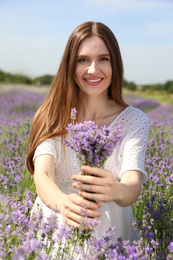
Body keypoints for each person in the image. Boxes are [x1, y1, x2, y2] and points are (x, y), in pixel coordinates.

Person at [27, 21, 149, 248]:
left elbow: (133, 185)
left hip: (111, 232)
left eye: (104, 59)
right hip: (58, 223)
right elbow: (43, 175)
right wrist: (63, 204)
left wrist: (116, 189)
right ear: (70, 65)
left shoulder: (134, 120)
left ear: (115, 64)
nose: (93, 69)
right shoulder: (52, 115)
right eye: (83, 60)